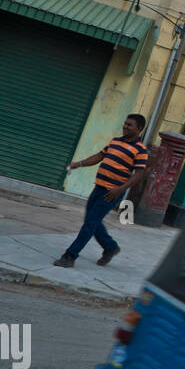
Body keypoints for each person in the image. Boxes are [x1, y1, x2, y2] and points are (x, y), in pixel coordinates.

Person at [53, 114, 149, 269]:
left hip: (112, 192)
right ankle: (110, 247)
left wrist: (119, 190)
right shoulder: (116, 141)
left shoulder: (141, 150)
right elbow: (99, 156)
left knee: (90, 223)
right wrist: (79, 164)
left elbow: (138, 175)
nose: (125, 126)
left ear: (138, 128)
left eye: (129, 125)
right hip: (99, 186)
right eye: (125, 123)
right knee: (92, 221)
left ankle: (70, 256)